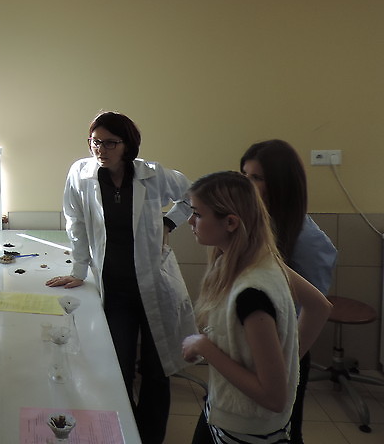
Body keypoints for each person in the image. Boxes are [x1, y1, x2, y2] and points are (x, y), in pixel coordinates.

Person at [46, 111, 194, 444]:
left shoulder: (152, 174)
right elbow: (75, 221)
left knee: (157, 371)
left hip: (155, 286)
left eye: (110, 143)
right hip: (115, 292)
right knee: (117, 370)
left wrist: (169, 223)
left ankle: (151, 437)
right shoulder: (80, 174)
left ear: (128, 144)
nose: (100, 149)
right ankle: (125, 435)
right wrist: (78, 270)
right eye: (95, 141)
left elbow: (194, 195)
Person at [182, 171, 332, 443]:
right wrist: (284, 361)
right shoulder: (258, 259)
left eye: (198, 214)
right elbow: (319, 306)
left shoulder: (251, 295)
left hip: (245, 428)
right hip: (223, 407)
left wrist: (204, 347)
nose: (190, 221)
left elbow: (273, 397)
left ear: (230, 222)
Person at [240, 140, 337, 444]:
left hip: (283, 350)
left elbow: (315, 307)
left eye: (256, 178)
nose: (247, 185)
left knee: (283, 431)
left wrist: (285, 363)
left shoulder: (306, 237)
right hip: (249, 345)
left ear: (280, 185)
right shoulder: (252, 225)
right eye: (244, 175)